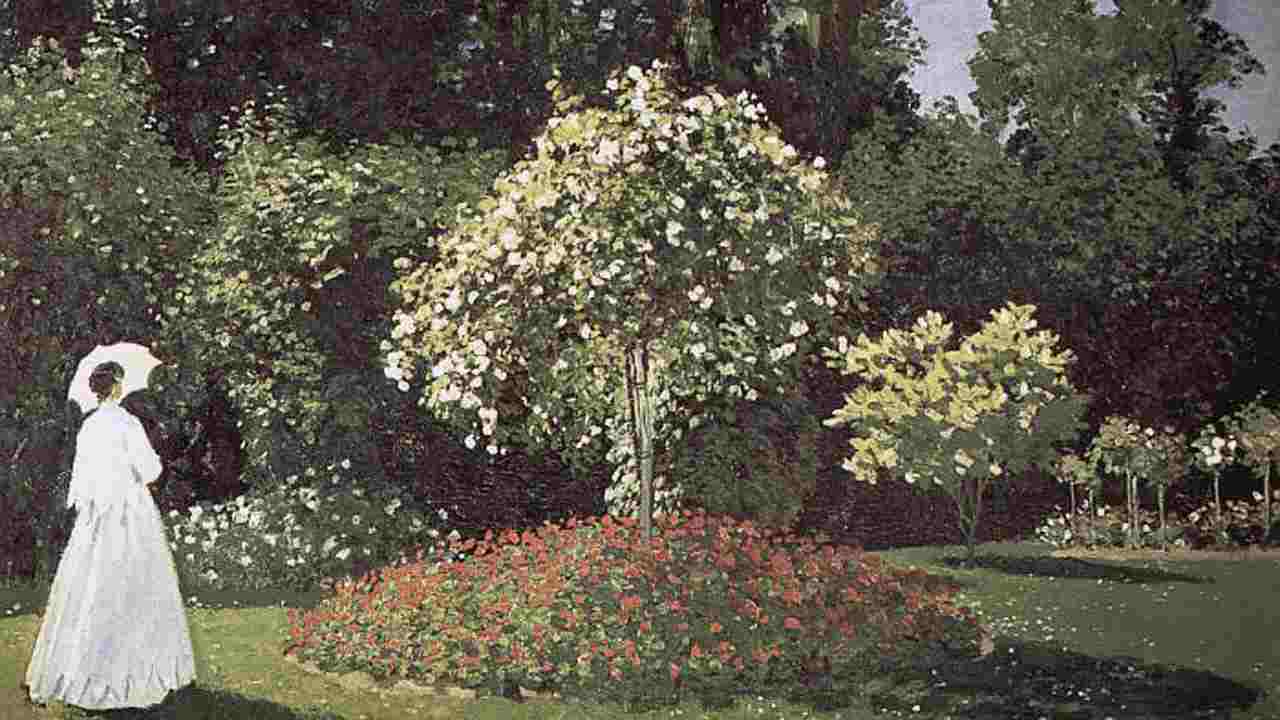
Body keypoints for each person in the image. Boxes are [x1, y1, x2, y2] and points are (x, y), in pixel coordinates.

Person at [25, 361, 196, 710]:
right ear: (116, 386)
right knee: (136, 583)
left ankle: (83, 671)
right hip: (129, 512)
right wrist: (148, 463)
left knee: (90, 585)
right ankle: (136, 675)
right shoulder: (127, 423)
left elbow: (81, 479)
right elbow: (150, 469)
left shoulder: (88, 427)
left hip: (96, 516)